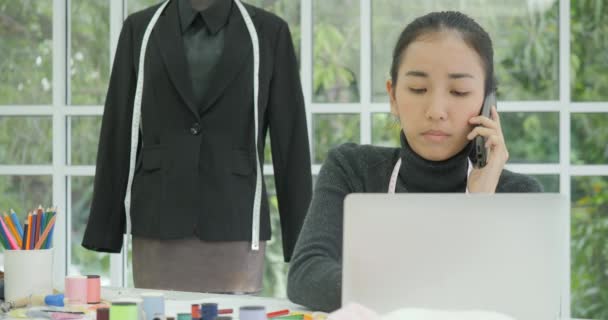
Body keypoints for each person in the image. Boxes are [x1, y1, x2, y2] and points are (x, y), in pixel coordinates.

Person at [287, 11, 542, 312]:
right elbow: (307, 274)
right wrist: (438, 291)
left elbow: (517, 300)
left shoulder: (518, 195)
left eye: (459, 92)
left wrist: (479, 205)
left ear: (488, 105)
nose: (436, 110)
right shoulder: (351, 169)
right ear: (393, 96)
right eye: (418, 89)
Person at [82, 0, 312, 294]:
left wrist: (305, 244)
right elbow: (118, 127)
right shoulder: (139, 29)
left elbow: (290, 141)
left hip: (235, 224)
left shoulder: (269, 32)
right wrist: (106, 227)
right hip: (158, 225)